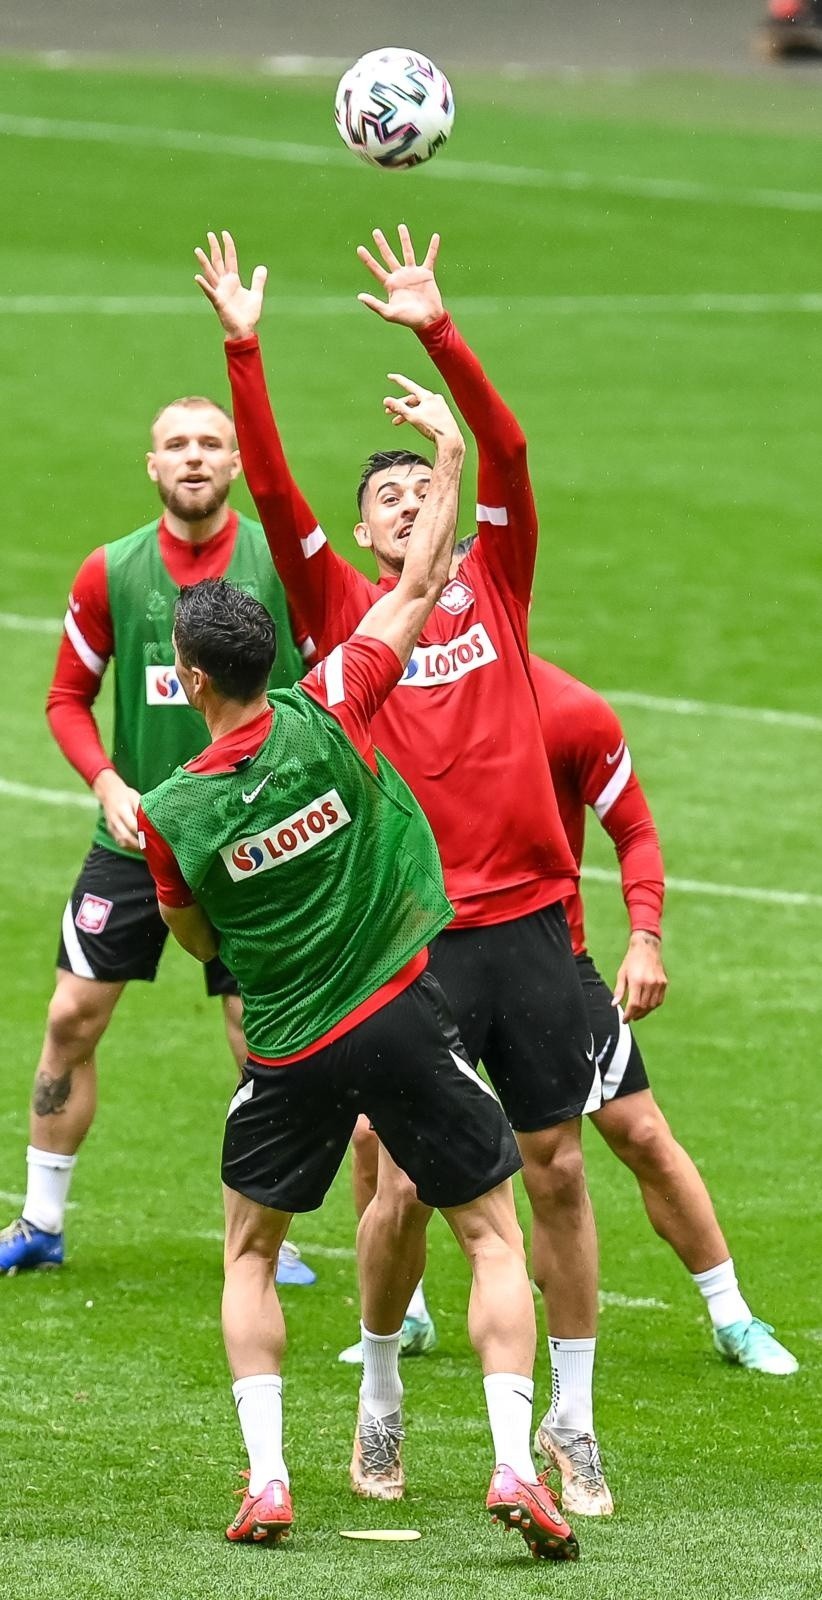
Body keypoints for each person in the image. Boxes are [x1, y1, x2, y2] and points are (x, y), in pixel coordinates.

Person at [197, 226, 613, 1517]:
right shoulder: (340, 620)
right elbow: (269, 496)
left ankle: (571, 1425)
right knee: (392, 1178)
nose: (400, 505)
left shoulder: (491, 577)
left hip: (528, 923)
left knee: (551, 1169)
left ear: (444, 509)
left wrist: (439, 331)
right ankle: (379, 1403)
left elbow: (512, 452)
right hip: (410, 937)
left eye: (416, 490)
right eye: (378, 497)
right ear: (367, 530)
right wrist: (245, 351)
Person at [137, 373, 579, 1560]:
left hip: (286, 1040)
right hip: (398, 1011)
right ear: (275, 654)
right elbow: (428, 582)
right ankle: (506, 1461)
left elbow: (193, 938)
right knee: (491, 1233)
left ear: (187, 680)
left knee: (251, 1250)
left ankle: (271, 1479)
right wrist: (445, 461)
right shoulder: (332, 706)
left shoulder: (172, 811)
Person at [346, 641, 799, 1383]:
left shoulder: (567, 710)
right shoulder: (387, 705)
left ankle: (732, 1314)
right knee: (382, 1146)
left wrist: (645, 939)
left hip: (549, 966)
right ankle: (408, 1314)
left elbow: (635, 830)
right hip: (429, 966)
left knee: (636, 1133)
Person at [0, 395, 314, 1288]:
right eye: (176, 444)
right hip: (139, 838)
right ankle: (43, 1220)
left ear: (236, 464)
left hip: (252, 840)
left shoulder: (278, 564)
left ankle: (271, 1233)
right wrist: (107, 782)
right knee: (69, 1017)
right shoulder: (112, 571)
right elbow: (67, 698)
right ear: (151, 465)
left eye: (211, 443)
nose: (193, 458)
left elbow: (329, 686)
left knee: (262, 1035)